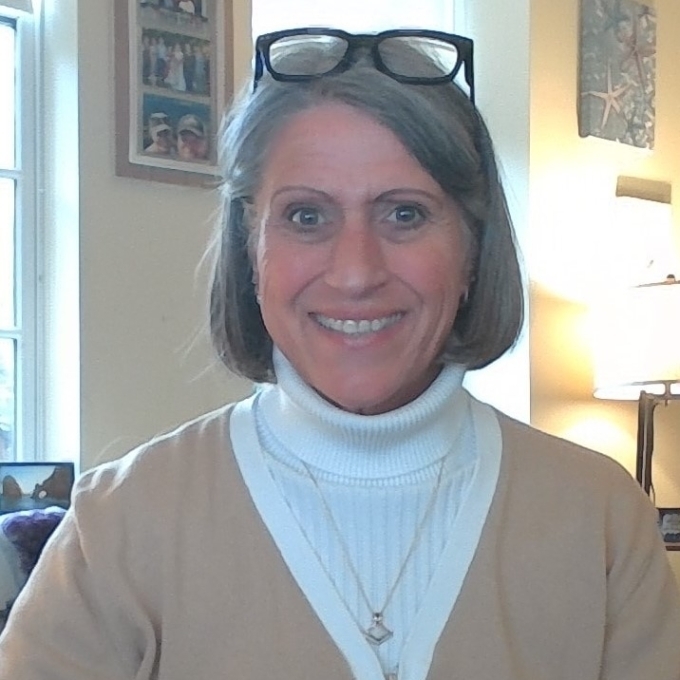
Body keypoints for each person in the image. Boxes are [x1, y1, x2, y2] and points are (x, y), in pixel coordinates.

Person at [0, 27, 678, 680]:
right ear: (251, 250)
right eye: (306, 216)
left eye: (404, 214)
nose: (356, 272)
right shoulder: (119, 526)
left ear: (473, 249)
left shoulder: (601, 522)